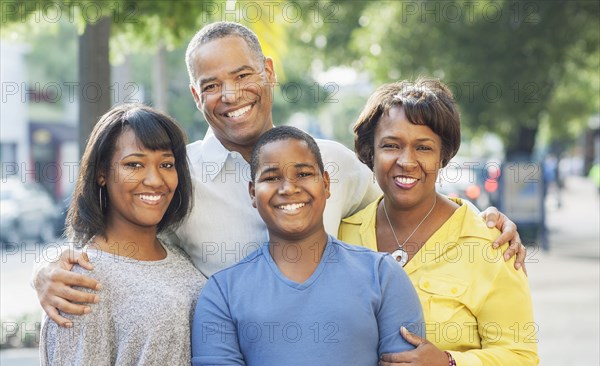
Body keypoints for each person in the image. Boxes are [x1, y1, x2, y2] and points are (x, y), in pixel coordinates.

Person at [33, 21, 525, 327]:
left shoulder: (331, 163)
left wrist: (484, 217)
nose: (231, 94)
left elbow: (409, 191)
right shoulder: (177, 174)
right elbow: (115, 239)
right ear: (195, 92)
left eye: (244, 75)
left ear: (268, 70)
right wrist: (52, 267)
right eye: (212, 84)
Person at [338, 79, 539, 366]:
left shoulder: (489, 242)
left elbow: (521, 357)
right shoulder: (340, 234)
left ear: (443, 156)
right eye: (391, 145)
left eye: (423, 147)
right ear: (369, 152)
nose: (406, 160)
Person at [192, 126, 426, 366]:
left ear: (326, 184)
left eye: (303, 174)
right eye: (271, 177)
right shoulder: (222, 294)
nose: (289, 188)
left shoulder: (382, 275)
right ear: (253, 193)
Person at [39, 104, 206, 366]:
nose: (155, 180)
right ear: (102, 173)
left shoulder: (179, 256)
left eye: (166, 164)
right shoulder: (80, 281)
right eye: (134, 165)